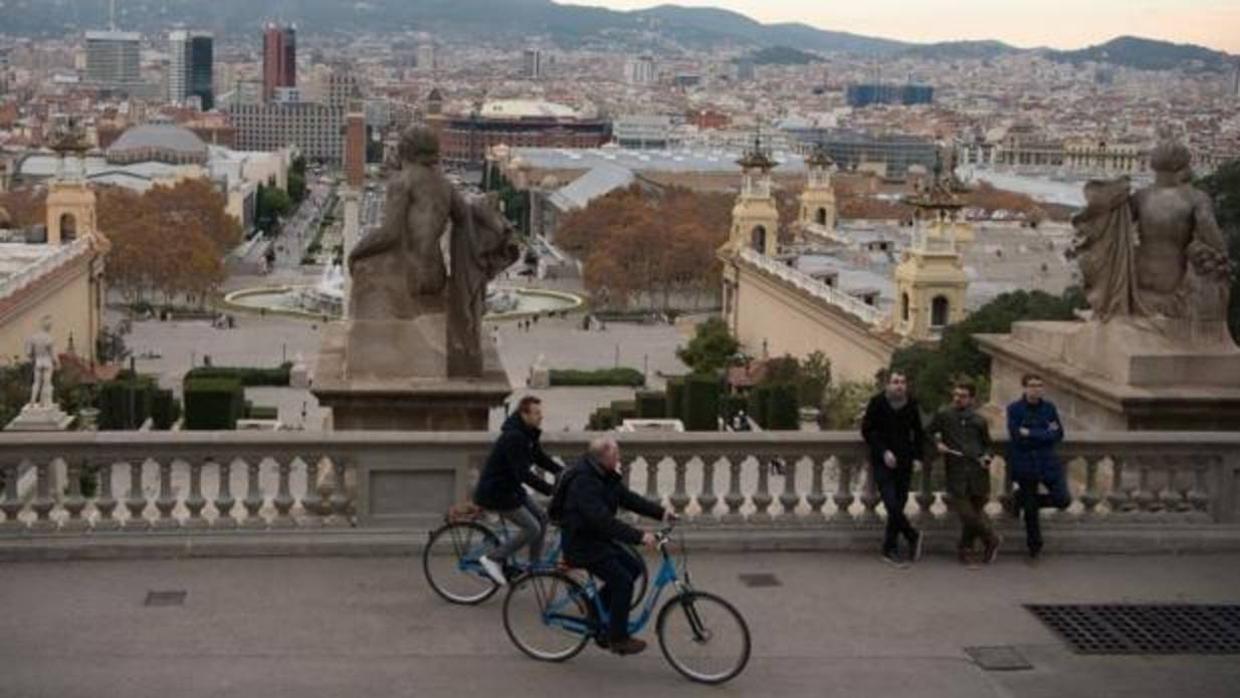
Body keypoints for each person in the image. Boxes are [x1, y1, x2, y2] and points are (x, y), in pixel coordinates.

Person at [553, 436, 673, 656]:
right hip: (581, 544)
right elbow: (603, 521)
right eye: (616, 454)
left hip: (595, 539)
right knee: (622, 582)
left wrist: (662, 513)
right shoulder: (584, 481)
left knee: (634, 567)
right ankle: (618, 638)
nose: (619, 458)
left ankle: (595, 613)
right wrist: (640, 536)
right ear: (603, 457)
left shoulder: (604, 474)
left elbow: (628, 498)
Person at [472, 396, 563, 585]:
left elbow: (539, 457)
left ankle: (534, 566)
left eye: (540, 412)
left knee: (542, 518)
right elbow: (523, 474)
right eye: (537, 413)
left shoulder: (527, 433)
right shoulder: (514, 437)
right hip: (497, 493)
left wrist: (561, 471)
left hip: (511, 489)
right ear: (524, 414)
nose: (541, 416)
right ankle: (493, 558)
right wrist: (550, 489)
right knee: (532, 528)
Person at [929, 380, 1001, 566]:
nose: (957, 399)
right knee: (967, 515)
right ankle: (991, 539)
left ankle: (964, 549)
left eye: (962, 396)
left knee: (973, 516)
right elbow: (927, 432)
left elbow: (988, 446)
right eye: (955, 395)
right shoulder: (944, 416)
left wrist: (987, 457)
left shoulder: (979, 420)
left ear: (971, 399)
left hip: (978, 474)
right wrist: (938, 444)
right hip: (957, 473)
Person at [861, 371, 926, 567]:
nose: (899, 385)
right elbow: (867, 430)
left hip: (904, 461)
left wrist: (917, 457)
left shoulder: (911, 404)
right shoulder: (877, 402)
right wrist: (883, 452)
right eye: (896, 382)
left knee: (898, 503)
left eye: (903, 382)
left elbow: (918, 432)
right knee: (890, 502)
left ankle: (889, 548)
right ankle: (912, 535)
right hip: (883, 461)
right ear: (887, 385)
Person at [1006, 373, 1069, 561]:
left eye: (1039, 386)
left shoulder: (1049, 408)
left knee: (1062, 499)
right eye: (1032, 385)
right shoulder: (1014, 409)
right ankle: (1034, 545)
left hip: (1048, 462)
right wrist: (1043, 434)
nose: (1036, 389)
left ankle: (1020, 500)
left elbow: (1058, 434)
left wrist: (1031, 433)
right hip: (1025, 462)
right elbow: (1017, 436)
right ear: (1024, 388)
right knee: (1031, 510)